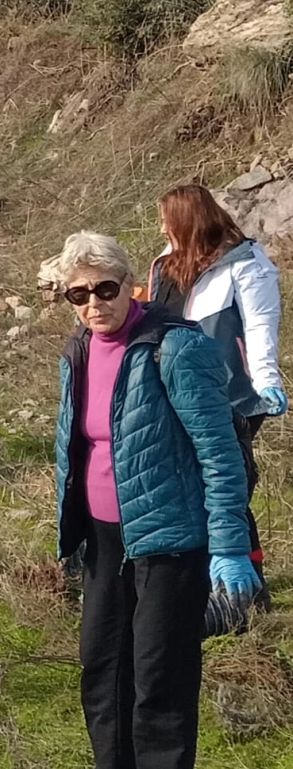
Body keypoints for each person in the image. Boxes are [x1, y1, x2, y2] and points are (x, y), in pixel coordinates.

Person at [52, 232, 258, 769]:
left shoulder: (173, 345)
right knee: (102, 670)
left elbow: (219, 452)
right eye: (79, 294)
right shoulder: (78, 350)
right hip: (102, 539)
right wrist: (69, 530)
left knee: (159, 679)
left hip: (170, 540)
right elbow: (78, 446)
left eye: (105, 288)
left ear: (130, 285)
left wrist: (231, 546)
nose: (94, 303)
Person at [148, 183, 283, 625]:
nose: (161, 226)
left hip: (232, 397)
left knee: (230, 485)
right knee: (196, 485)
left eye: (168, 218)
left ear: (188, 221)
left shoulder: (245, 265)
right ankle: (207, 586)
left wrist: (266, 381)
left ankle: (247, 594)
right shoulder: (165, 267)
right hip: (178, 394)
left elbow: (261, 326)